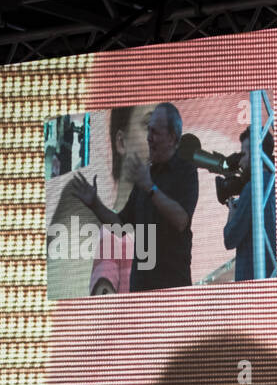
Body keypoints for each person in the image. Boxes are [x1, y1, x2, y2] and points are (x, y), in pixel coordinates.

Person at [71, 101, 199, 292]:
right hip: (140, 289)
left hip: (173, 289)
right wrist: (95, 204)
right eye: (148, 131)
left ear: (172, 138)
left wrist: (149, 187)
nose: (149, 138)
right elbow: (121, 227)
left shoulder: (185, 171)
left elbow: (181, 220)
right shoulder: (146, 175)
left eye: (154, 132)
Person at [223, 126, 277, 281]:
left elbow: (230, 238)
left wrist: (232, 212)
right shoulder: (276, 184)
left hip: (252, 279)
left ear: (256, 154)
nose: (241, 160)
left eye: (244, 154)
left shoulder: (253, 188)